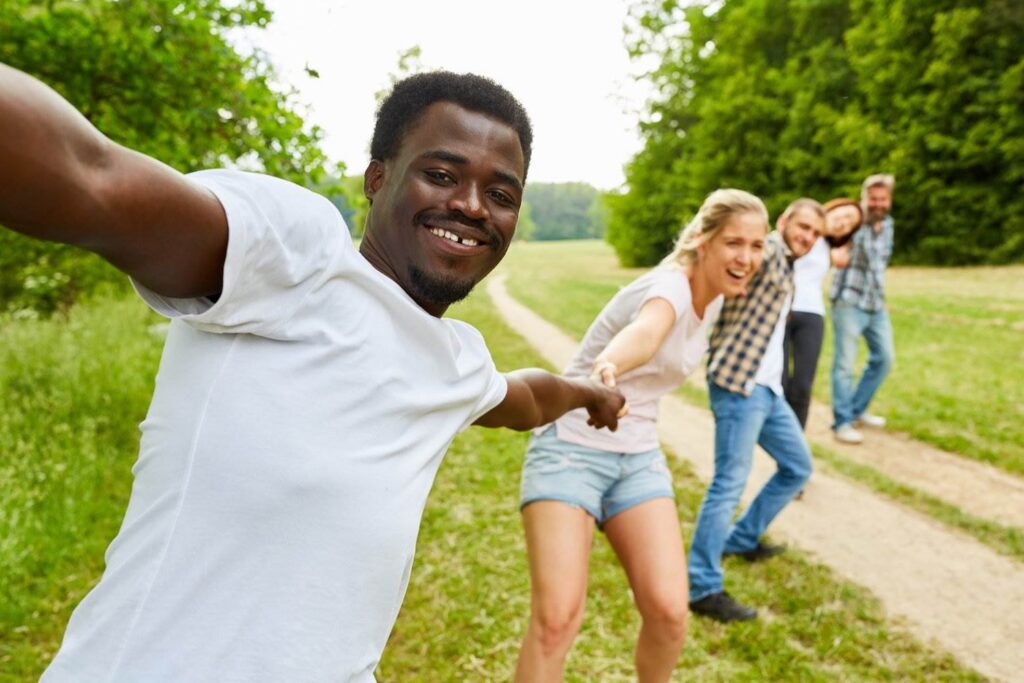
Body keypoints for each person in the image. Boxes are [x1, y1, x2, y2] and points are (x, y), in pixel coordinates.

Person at [0, 64, 626, 682]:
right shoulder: (299, 262)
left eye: (501, 195)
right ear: (377, 179)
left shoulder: (456, 362)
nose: (471, 207)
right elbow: (94, 179)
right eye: (441, 175)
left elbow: (524, 400)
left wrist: (590, 394)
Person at [515, 189, 769, 682]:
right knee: (556, 621)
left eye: (757, 246)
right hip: (572, 448)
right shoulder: (671, 287)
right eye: (734, 243)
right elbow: (648, 333)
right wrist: (608, 365)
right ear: (702, 240)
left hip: (637, 456)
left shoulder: (715, 296)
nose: (746, 258)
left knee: (671, 613)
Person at [688, 198, 823, 623]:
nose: (806, 237)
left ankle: (741, 539)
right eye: (801, 226)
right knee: (728, 484)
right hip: (737, 385)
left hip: (767, 389)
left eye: (814, 233)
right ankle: (702, 585)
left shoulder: (788, 263)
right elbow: (720, 263)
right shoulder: (766, 252)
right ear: (783, 222)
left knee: (797, 467)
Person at [782, 198, 864, 429]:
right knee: (779, 379)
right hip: (781, 310)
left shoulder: (833, 248)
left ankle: (796, 435)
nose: (844, 221)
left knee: (802, 384)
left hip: (811, 315)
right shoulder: (801, 230)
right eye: (844, 214)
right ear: (833, 208)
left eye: (851, 223)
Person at [829, 174, 896, 445]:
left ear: (888, 200)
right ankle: (842, 422)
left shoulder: (888, 224)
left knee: (884, 358)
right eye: (873, 199)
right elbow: (835, 246)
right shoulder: (852, 224)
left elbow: (880, 264)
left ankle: (857, 408)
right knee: (844, 364)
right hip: (848, 300)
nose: (878, 204)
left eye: (883, 199)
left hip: (875, 303)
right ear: (863, 199)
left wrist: (881, 296)